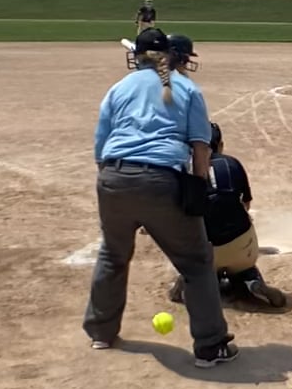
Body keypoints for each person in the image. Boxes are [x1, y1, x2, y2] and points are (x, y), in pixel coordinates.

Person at [85, 28, 238, 367]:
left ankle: (101, 333)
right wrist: (198, 187)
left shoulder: (118, 88)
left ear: (135, 57)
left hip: (112, 177)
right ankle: (211, 346)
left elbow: (100, 148)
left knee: (112, 255)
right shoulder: (185, 88)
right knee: (196, 263)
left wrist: (118, 188)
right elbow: (201, 147)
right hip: (162, 179)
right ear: (168, 55)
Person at [170, 122, 289, 309]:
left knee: (190, 239)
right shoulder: (232, 163)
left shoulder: (181, 171)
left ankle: (188, 279)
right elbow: (246, 205)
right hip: (242, 246)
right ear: (220, 145)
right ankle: (253, 282)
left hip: (205, 253)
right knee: (243, 263)